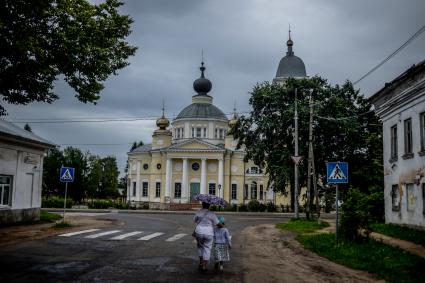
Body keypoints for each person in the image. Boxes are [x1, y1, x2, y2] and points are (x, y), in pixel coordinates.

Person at [194, 202, 220, 271]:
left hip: (199, 232)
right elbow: (218, 223)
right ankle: (204, 266)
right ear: (209, 205)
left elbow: (195, 220)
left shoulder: (198, 212)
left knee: (200, 247)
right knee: (207, 248)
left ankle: (200, 263)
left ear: (202, 205)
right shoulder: (211, 213)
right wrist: (221, 226)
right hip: (208, 233)